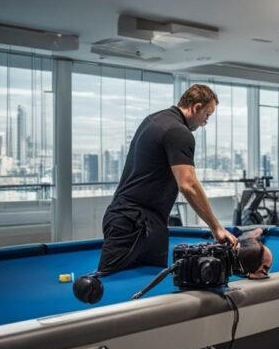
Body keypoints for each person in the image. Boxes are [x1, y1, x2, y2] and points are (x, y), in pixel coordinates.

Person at [97, 84, 239, 275]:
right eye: (207, 115)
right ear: (196, 107)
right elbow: (188, 184)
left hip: (143, 222)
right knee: (108, 287)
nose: (205, 122)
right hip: (134, 223)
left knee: (152, 293)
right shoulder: (178, 131)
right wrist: (217, 228)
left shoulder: (154, 119)